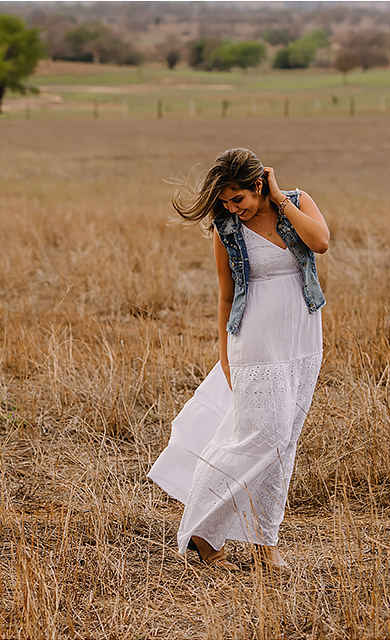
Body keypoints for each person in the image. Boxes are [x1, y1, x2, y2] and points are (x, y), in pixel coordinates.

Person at [147, 147, 329, 572]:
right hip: (256, 339)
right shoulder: (225, 229)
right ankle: (201, 529)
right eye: (226, 202)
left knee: (284, 444)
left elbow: (320, 242)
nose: (233, 209)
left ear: (259, 185)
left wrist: (281, 198)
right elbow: (226, 294)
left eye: (239, 199)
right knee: (261, 436)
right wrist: (224, 352)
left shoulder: (297, 203)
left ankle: (266, 546)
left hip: (303, 337)